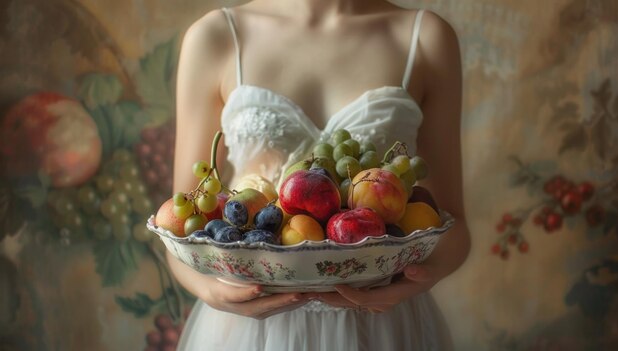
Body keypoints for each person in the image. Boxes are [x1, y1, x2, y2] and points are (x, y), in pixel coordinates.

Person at [169, 0, 470, 349]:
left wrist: (419, 279)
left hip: (380, 325)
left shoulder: (425, 37)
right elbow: (179, 228)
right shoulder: (216, 36)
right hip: (250, 330)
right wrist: (211, 292)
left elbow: (455, 226)